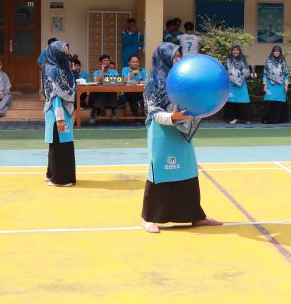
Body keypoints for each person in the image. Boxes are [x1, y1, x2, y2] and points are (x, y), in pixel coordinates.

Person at [141, 42, 222, 233]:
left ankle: (195, 216)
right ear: (163, 59)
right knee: (161, 172)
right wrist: (173, 117)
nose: (178, 60)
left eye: (179, 56)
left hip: (182, 132)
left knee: (187, 171)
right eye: (174, 57)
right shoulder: (154, 83)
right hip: (162, 133)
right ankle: (148, 218)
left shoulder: (186, 79)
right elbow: (154, 113)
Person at [42, 40, 76, 187]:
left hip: (57, 112)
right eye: (64, 53)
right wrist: (60, 119)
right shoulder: (55, 71)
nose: (66, 56)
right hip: (58, 112)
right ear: (56, 53)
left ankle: (51, 174)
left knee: (56, 145)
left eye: (68, 52)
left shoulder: (51, 68)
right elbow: (56, 95)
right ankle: (60, 179)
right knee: (62, 147)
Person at [261, 45, 290, 124]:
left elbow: (286, 74)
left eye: (278, 51)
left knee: (279, 103)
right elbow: (265, 73)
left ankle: (277, 120)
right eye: (275, 51)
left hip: (280, 85)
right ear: (272, 52)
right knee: (269, 102)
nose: (276, 52)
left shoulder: (283, 61)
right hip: (270, 84)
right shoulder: (268, 61)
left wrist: (286, 85)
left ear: (280, 52)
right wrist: (265, 84)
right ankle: (267, 119)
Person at [224, 44, 251, 124]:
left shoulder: (243, 59)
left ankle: (245, 119)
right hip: (231, 84)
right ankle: (233, 118)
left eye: (237, 50)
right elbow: (226, 71)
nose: (235, 51)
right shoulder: (228, 60)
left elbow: (247, 71)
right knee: (232, 100)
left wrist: (240, 78)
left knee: (244, 100)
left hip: (242, 84)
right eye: (233, 50)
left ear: (239, 51)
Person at [89, 54, 121, 123]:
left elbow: (118, 81)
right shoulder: (96, 72)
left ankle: (113, 113)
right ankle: (93, 115)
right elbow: (97, 81)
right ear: (101, 63)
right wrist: (102, 70)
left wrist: (104, 81)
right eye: (104, 60)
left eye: (108, 60)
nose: (107, 62)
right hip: (100, 92)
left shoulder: (114, 72)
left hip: (111, 91)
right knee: (98, 94)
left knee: (113, 93)